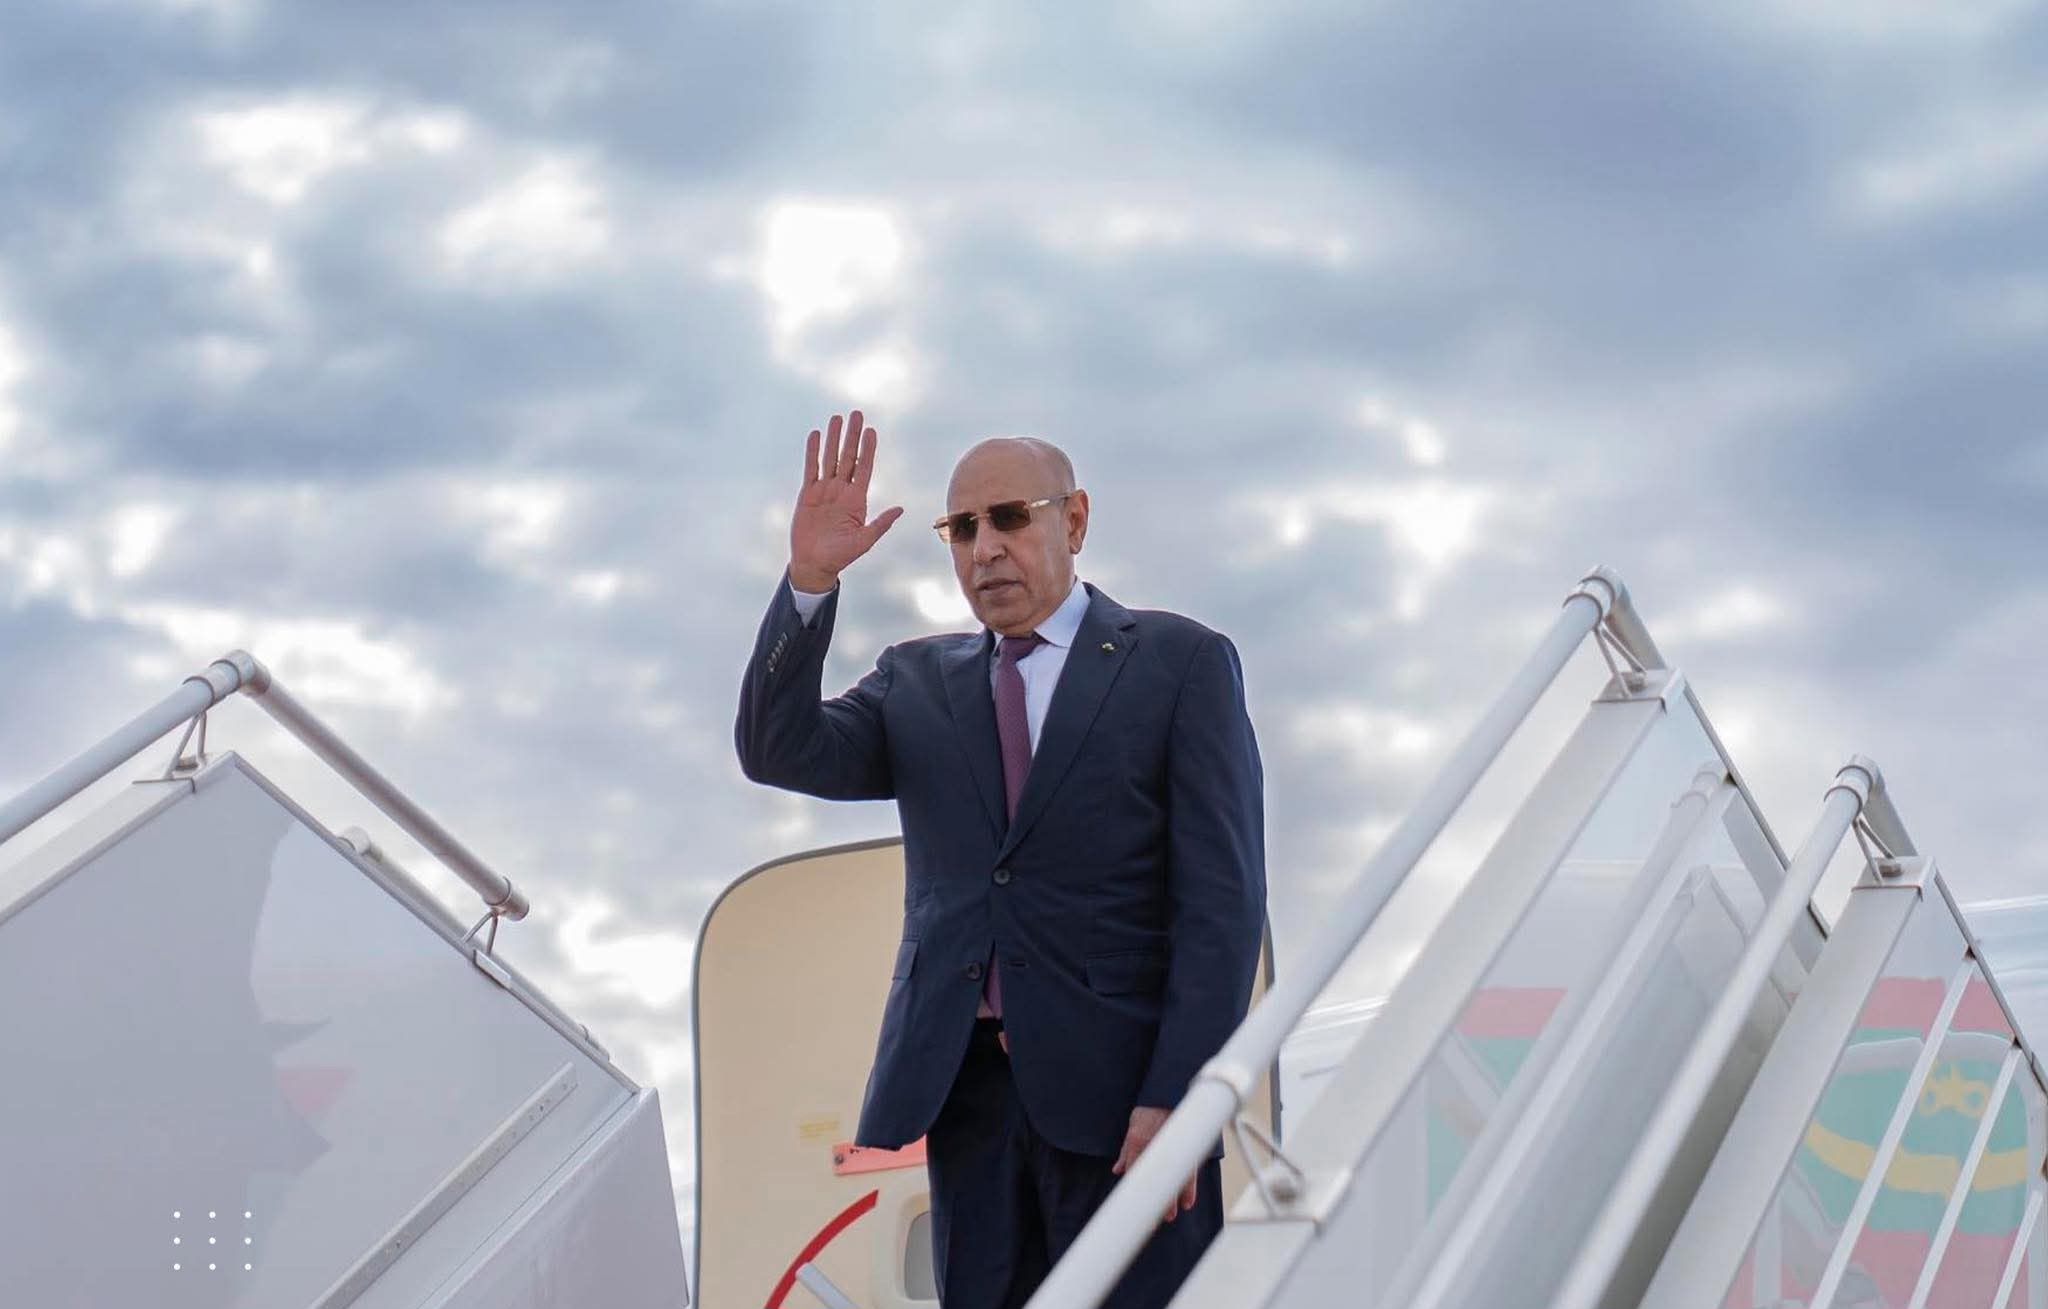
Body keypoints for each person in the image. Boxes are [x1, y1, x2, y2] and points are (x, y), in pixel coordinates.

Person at [736, 411, 1266, 1308]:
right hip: (970, 1109)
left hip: (1125, 1107)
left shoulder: (1181, 665)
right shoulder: (914, 684)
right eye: (963, 528)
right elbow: (775, 748)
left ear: (1075, 519)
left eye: (1011, 517)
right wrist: (810, 582)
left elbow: (1223, 905)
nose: (985, 547)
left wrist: (1183, 1097)